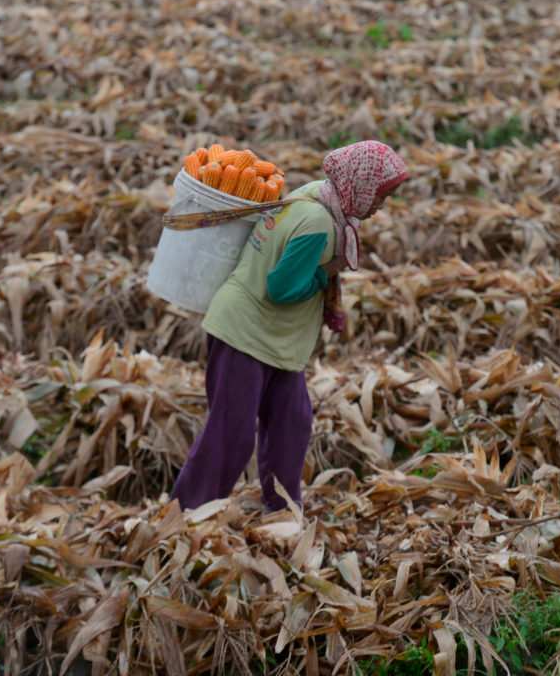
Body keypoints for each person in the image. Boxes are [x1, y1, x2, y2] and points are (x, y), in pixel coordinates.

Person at [171, 140, 409, 513]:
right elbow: (282, 289)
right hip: (244, 334)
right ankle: (186, 515)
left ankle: (281, 514)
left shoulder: (317, 193)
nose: (381, 205)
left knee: (291, 426)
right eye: (381, 195)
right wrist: (328, 270)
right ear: (360, 184)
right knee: (230, 436)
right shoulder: (318, 221)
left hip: (276, 342)